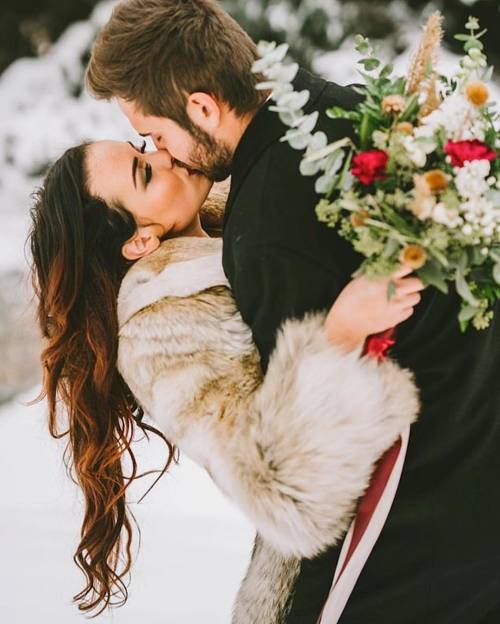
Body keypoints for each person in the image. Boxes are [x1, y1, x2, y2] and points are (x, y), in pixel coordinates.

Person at [85, 1, 500, 623]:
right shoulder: (356, 113)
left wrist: (334, 335)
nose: (168, 153)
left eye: (156, 136)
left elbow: (314, 475)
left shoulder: (268, 228)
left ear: (201, 107)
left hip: (401, 566)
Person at [29, 139, 421, 618]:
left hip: (417, 516)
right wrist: (340, 332)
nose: (163, 156)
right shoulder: (162, 327)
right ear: (140, 240)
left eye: (142, 146)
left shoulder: (244, 212)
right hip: (345, 584)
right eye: (145, 173)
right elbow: (283, 494)